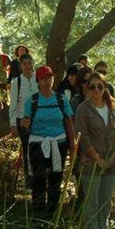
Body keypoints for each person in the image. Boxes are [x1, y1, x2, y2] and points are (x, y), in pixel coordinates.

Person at [74, 71, 115, 229]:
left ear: (105, 88)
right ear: (87, 88)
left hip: (110, 164)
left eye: (99, 86)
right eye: (92, 86)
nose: (96, 89)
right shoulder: (83, 110)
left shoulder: (111, 109)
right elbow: (83, 137)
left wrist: (111, 158)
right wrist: (98, 158)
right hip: (90, 163)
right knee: (92, 202)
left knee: (105, 201)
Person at [22, 65, 75, 218]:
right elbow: (26, 122)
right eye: (43, 78)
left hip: (59, 143)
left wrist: (72, 146)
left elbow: (69, 122)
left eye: (49, 77)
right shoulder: (32, 101)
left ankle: (52, 215)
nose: (47, 81)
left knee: (55, 179)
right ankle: (38, 215)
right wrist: (25, 125)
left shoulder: (61, 99)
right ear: (38, 81)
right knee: (38, 179)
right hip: (37, 143)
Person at [9, 53, 38, 182]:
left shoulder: (39, 79)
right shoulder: (17, 82)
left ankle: (40, 177)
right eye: (24, 63)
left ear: (33, 65)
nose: (27, 66)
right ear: (20, 66)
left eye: (29, 63)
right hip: (22, 120)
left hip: (38, 120)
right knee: (27, 150)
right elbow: (13, 104)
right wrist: (13, 123)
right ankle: (29, 180)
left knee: (39, 149)